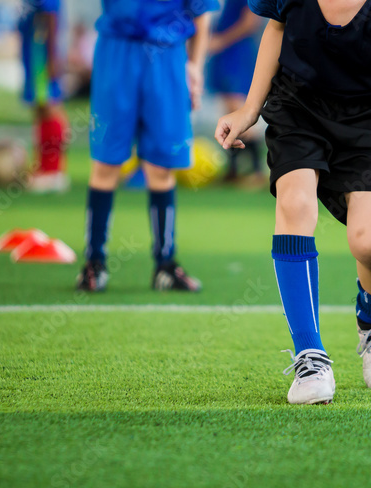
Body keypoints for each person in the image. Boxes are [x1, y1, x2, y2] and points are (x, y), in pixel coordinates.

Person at [215, 0, 371, 404]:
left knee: (369, 241)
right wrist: (249, 109)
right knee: (295, 203)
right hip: (299, 109)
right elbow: (276, 31)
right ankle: (309, 357)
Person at [76, 0, 218, 293]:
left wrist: (195, 66)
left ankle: (165, 265)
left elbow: (201, 12)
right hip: (116, 52)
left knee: (161, 167)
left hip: (167, 56)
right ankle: (94, 263)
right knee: (105, 163)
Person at [206, 0, 264, 186]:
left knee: (239, 112)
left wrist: (221, 40)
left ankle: (256, 171)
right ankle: (233, 170)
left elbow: (250, 23)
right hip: (224, 55)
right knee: (227, 114)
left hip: (238, 53)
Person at [19, 0, 68, 192]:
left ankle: (53, 171)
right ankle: (43, 167)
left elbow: (50, 13)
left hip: (40, 48)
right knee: (40, 108)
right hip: (32, 47)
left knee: (48, 105)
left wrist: (52, 55)